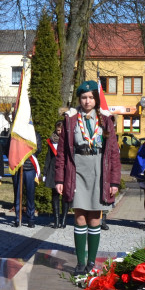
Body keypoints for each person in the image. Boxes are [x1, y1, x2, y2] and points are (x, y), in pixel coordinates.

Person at [55, 81, 121, 276]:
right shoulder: (71, 120)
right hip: (77, 171)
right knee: (80, 216)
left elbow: (114, 154)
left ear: (96, 99)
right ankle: (80, 262)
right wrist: (59, 179)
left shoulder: (106, 120)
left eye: (91, 97)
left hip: (99, 171)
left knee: (95, 217)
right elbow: (62, 153)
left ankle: (92, 261)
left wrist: (114, 181)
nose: (87, 101)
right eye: (84, 97)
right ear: (79, 99)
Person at [43, 120, 67, 228]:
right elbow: (48, 157)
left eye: (61, 130)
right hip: (53, 170)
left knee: (65, 196)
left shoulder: (68, 140)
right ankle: (56, 220)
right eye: (57, 130)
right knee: (55, 195)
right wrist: (45, 172)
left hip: (65, 170)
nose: (59, 132)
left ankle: (64, 220)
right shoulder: (51, 141)